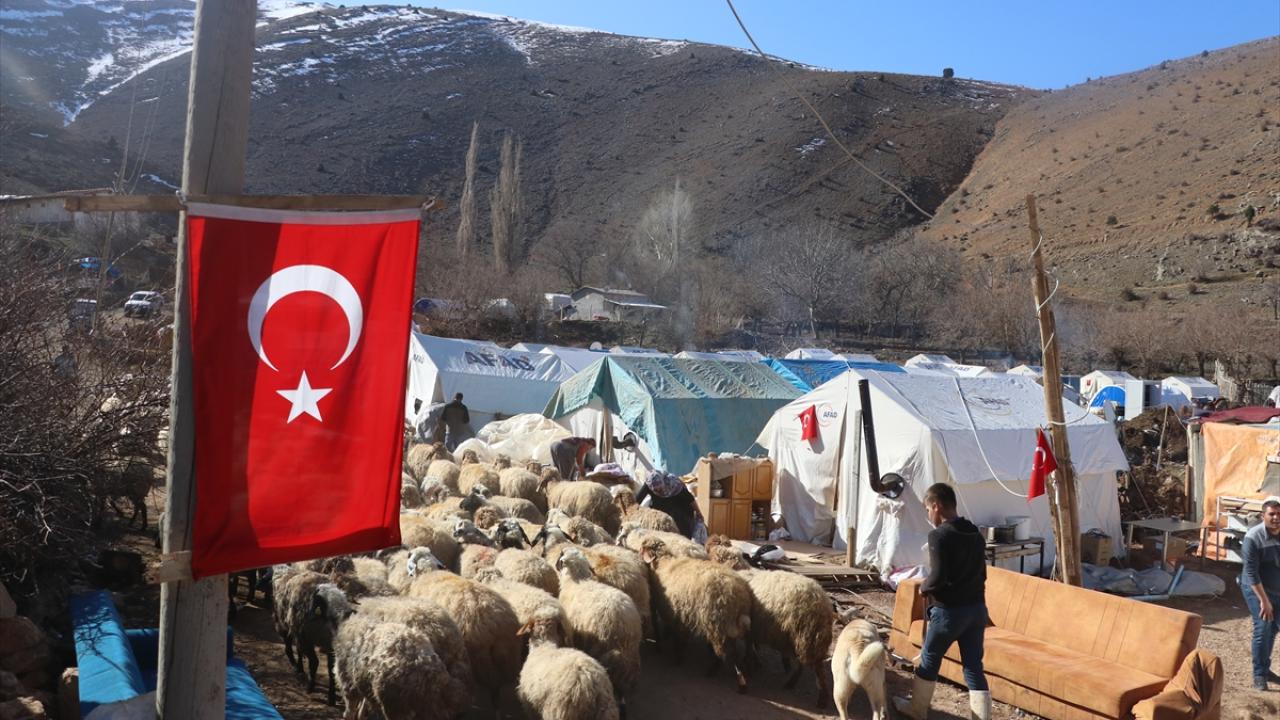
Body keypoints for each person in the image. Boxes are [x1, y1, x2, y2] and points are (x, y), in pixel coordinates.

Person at [895, 483, 990, 720]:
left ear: (936, 506)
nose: (929, 515)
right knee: (973, 667)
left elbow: (938, 577)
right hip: (977, 610)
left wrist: (924, 587)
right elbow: (983, 574)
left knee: (929, 659)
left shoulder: (939, 536)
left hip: (949, 613)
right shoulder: (975, 533)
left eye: (928, 509)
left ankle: (917, 710)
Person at [1240, 496, 1280, 690]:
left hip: (1277, 588)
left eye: (1279, 514)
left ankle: (1265, 668)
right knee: (1263, 627)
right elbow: (1251, 573)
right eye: (1272, 514)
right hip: (1256, 589)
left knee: (1273, 629)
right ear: (1263, 515)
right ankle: (1259, 675)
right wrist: (1264, 601)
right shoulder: (1253, 537)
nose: (1276, 518)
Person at [636, 470, 702, 539]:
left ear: (663, 482)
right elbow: (637, 500)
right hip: (661, 509)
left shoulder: (673, 484)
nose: (658, 491)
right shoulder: (650, 484)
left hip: (679, 508)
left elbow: (690, 499)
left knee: (681, 529)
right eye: (655, 490)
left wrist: (698, 513)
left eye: (660, 489)